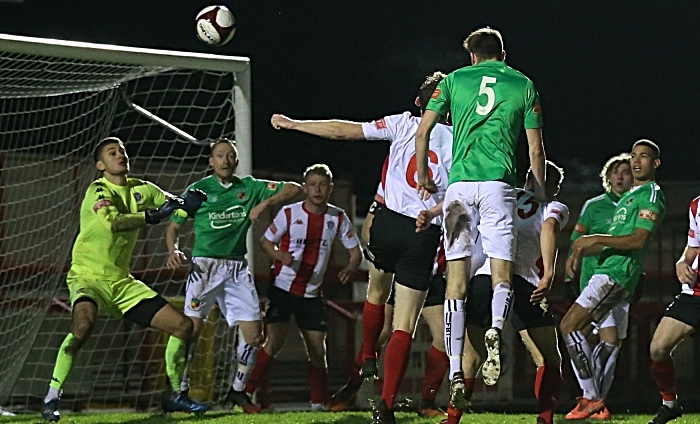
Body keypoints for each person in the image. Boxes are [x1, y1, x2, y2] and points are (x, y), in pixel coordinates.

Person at [270, 71, 453, 423]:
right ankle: (382, 401)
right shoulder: (461, 140)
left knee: (377, 296)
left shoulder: (402, 124)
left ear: (418, 103)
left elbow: (344, 130)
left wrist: (294, 124)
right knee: (402, 326)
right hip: (424, 233)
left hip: (390, 223)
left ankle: (380, 364)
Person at [415, 26, 546, 410]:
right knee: (501, 274)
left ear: (472, 55)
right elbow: (536, 149)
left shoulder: (453, 81)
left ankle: (456, 368)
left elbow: (424, 131)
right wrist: (538, 191)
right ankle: (494, 328)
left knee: (456, 281)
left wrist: (424, 174)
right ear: (501, 53)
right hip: (496, 188)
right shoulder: (523, 84)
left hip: (458, 191)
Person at [41, 137, 208, 422]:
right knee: (83, 326)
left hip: (123, 283)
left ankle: (177, 395)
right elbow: (114, 221)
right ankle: (52, 397)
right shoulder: (98, 190)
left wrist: (193, 203)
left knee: (182, 327)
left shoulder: (142, 189)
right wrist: (155, 215)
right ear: (100, 165)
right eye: (112, 152)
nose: (120, 155)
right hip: (88, 277)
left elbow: (176, 205)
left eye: (122, 151)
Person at [422, 161, 569, 424]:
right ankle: (545, 418)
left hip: (485, 277)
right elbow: (548, 228)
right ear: (555, 188)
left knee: (471, 356)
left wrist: (432, 212)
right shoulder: (554, 206)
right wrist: (549, 272)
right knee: (547, 356)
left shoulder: (503, 194)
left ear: (526, 181)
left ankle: (453, 419)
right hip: (525, 284)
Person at [164, 138, 302, 414]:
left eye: (230, 156)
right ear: (211, 161)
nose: (225, 160)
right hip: (205, 269)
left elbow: (294, 188)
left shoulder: (248, 187)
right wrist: (173, 250)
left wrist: (265, 204)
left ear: (236, 162)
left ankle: (237, 392)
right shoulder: (199, 190)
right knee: (189, 331)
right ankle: (178, 391)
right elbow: (173, 227)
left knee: (254, 336)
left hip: (237, 268)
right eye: (219, 155)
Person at [243, 164, 362, 410]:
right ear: (305, 188)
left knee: (318, 349)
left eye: (322, 185)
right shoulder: (289, 213)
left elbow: (355, 251)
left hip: (311, 294)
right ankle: (245, 394)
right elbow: (266, 241)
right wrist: (279, 256)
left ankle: (318, 404)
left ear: (329, 188)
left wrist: (350, 267)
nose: (317, 190)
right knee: (273, 343)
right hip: (283, 288)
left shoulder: (337, 217)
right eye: (312, 184)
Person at [328, 181, 450, 419]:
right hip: (403, 271)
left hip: (432, 274)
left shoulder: (450, 180)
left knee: (445, 336)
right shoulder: (396, 180)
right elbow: (369, 228)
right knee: (382, 333)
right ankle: (353, 387)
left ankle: (427, 401)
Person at [563, 139, 665, 420]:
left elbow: (638, 239)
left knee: (574, 327)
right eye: (634, 155)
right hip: (603, 273)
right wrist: (581, 248)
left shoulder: (651, 195)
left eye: (643, 156)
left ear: (654, 164)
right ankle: (592, 398)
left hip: (617, 275)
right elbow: (610, 243)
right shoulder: (630, 198)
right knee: (579, 330)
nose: (636, 161)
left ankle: (592, 397)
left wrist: (593, 238)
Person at [563, 153, 634, 420]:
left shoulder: (635, 205)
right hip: (598, 280)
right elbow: (576, 242)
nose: (620, 177)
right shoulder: (594, 206)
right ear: (607, 177)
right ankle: (592, 397)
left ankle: (595, 400)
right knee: (606, 337)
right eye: (616, 172)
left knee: (613, 344)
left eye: (625, 172)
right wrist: (570, 277)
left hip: (624, 281)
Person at [646, 194, 700, 424]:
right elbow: (692, 248)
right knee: (658, 348)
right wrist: (681, 263)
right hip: (695, 292)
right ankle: (670, 404)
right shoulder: (697, 205)